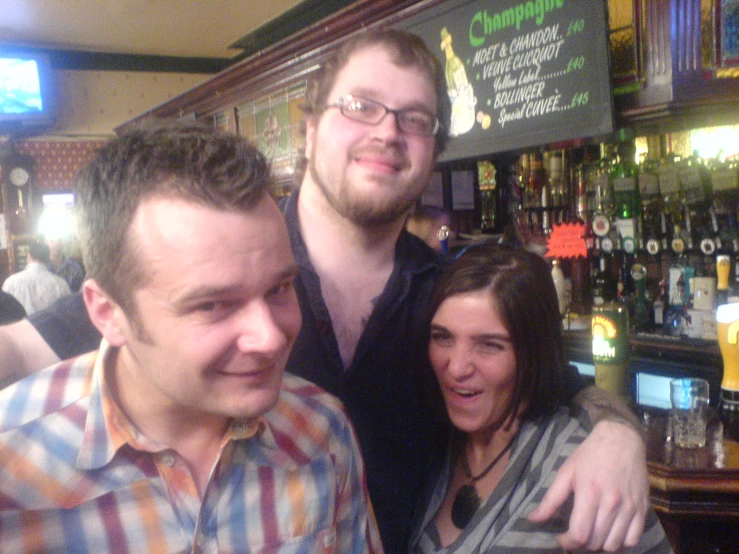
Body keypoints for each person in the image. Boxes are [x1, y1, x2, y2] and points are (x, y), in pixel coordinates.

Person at [0, 29, 648, 553]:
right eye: (360, 105)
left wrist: (619, 442)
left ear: (432, 152)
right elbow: (21, 352)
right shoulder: (208, 247)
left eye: (414, 119)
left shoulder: (444, 295)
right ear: (309, 128)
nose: (387, 132)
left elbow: (560, 387)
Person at [0, 121, 382, 553]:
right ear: (108, 312)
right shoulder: (13, 463)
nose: (270, 338)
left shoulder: (321, 431)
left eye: (278, 289)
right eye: (212, 305)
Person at [410, 244, 671, 553]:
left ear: (533, 353)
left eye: (489, 345)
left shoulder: (584, 466)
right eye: (443, 337)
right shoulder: (427, 441)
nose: (456, 368)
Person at [2, 240, 71, 315]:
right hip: (50, 326)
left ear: (29, 256)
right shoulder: (60, 284)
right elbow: (68, 311)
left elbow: (4, 311)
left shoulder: (11, 282)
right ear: (47, 259)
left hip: (19, 326)